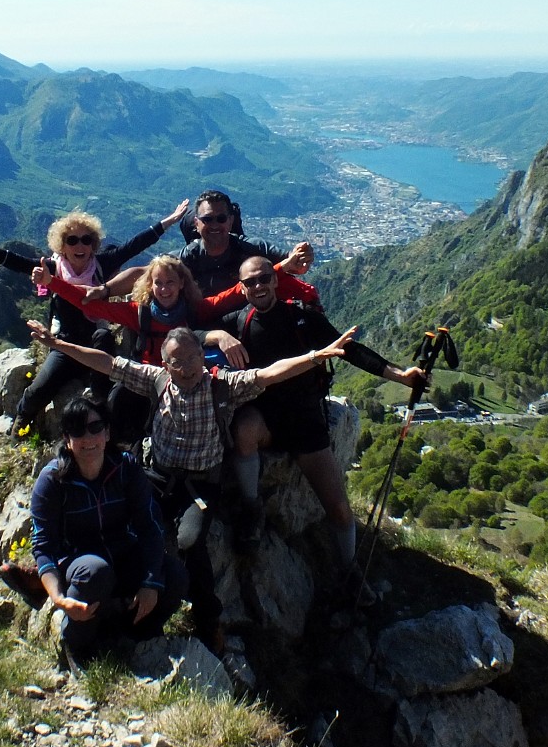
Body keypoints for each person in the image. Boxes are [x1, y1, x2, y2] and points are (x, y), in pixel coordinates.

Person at [25, 319, 357, 648]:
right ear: (164, 364)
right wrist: (57, 346)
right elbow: (107, 362)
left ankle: (207, 620)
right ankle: (63, 580)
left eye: (192, 358)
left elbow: (269, 373)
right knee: (121, 527)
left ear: (203, 355)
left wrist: (317, 356)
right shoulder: (156, 380)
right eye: (177, 362)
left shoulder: (223, 385)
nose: (186, 368)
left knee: (189, 541)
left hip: (199, 487)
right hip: (156, 478)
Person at [202, 256, 427, 601]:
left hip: (306, 420)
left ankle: (349, 571)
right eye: (251, 282)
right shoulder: (237, 322)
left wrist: (399, 375)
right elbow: (189, 335)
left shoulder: (302, 318)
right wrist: (217, 335)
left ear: (275, 281)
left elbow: (349, 350)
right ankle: (251, 507)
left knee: (338, 507)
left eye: (265, 278)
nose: (259, 286)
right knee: (243, 430)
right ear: (242, 287)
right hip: (266, 417)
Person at [0, 199, 190, 432]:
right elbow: (12, 260)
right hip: (65, 342)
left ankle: (99, 403)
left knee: (104, 338)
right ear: (62, 245)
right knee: (40, 389)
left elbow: (136, 244)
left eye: (86, 240)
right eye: (72, 240)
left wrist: (170, 220)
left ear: (93, 243)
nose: (80, 246)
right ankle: (21, 421)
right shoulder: (52, 268)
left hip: (96, 338)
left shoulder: (102, 264)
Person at [32, 253, 322, 443]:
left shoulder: (197, 310)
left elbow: (238, 291)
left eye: (171, 282)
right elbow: (92, 304)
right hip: (148, 381)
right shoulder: (139, 312)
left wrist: (284, 267)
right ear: (150, 285)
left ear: (182, 282)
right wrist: (52, 283)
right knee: (117, 403)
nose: (165, 288)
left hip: (187, 383)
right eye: (158, 283)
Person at [30, 396, 188, 668]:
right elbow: (43, 547)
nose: (88, 437)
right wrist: (58, 599)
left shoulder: (125, 467)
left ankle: (135, 632)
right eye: (77, 431)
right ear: (67, 439)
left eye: (94, 427)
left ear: (107, 432)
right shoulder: (52, 481)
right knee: (95, 571)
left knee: (174, 575)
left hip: (123, 554)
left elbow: (149, 526)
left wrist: (150, 583)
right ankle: (79, 644)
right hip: (81, 566)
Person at [177, 189, 298, 297]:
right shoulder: (186, 258)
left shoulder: (253, 249)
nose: (214, 225)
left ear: (230, 221)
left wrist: (301, 254)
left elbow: (293, 262)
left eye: (221, 219)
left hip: (248, 319)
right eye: (207, 219)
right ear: (196, 223)